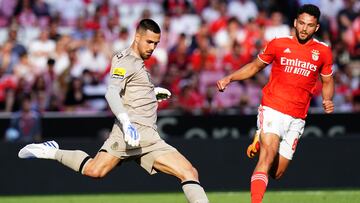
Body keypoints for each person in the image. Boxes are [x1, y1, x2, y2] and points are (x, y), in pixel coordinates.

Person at [18, 19, 209, 203]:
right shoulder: (125, 60)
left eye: (156, 43)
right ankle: (51, 152)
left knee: (189, 172)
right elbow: (111, 92)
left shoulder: (139, 63)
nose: (152, 47)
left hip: (149, 139)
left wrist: (151, 93)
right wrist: (126, 124)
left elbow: (132, 89)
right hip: (128, 134)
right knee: (95, 170)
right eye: (149, 42)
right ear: (137, 37)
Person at [217, 4, 334, 203]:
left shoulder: (323, 52)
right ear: (295, 23)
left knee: (277, 173)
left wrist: (327, 99)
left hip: (298, 116)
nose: (304, 29)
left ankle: (259, 139)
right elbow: (255, 66)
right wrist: (230, 78)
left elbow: (328, 81)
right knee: (267, 155)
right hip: (273, 108)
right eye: (302, 23)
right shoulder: (278, 44)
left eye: (310, 25)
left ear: (316, 27)